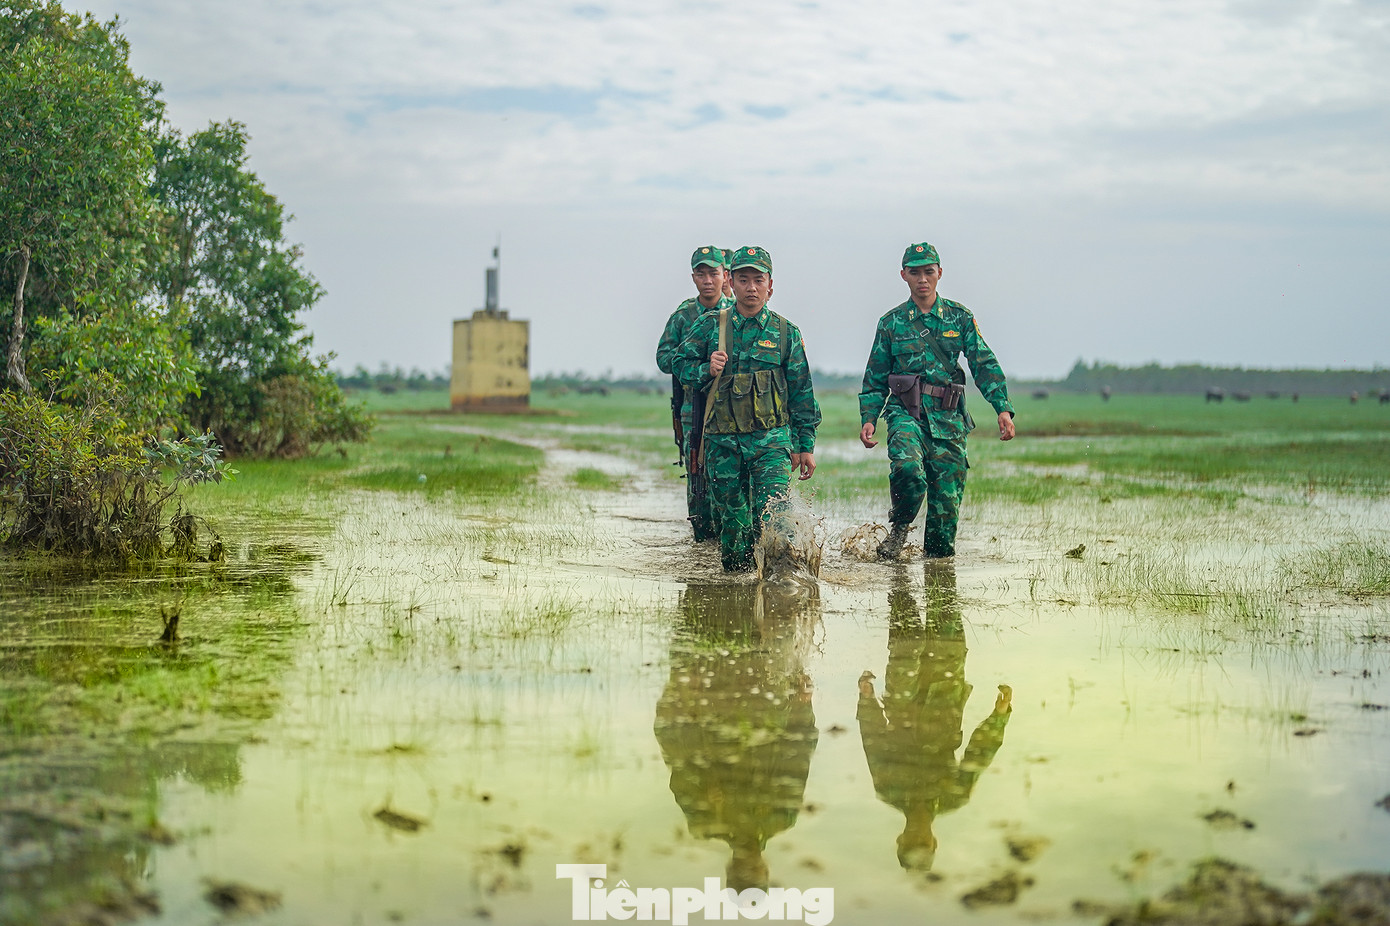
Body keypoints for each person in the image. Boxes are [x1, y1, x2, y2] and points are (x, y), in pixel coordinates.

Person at [858, 242, 1015, 560]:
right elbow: (875, 376)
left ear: (939, 273)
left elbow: (983, 363)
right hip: (906, 412)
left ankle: (939, 577)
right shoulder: (891, 323)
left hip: (948, 418)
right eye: (914, 273)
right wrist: (870, 417)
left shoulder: (959, 318)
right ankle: (900, 528)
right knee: (908, 470)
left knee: (944, 521)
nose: (922, 279)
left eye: (928, 272)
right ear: (904, 275)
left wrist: (1002, 408)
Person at [674, 246, 821, 573]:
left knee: (775, 520)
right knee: (735, 531)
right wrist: (705, 370)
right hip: (723, 445)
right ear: (732, 282)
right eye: (743, 279)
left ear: (771, 285)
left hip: (770, 445)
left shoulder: (786, 333)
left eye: (758, 279)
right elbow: (678, 362)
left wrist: (805, 446)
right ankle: (737, 600)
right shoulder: (712, 326)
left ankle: (781, 590)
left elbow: (802, 395)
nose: (751, 287)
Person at [858, 563, 1012, 871]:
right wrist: (999, 716)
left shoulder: (887, 790)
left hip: (903, 696)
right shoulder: (955, 797)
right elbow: (978, 754)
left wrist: (867, 700)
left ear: (900, 840)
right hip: (946, 689)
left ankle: (898, 563)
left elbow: (873, 740)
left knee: (902, 607)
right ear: (933, 842)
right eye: (922, 843)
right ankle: (938, 562)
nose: (916, 836)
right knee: (946, 603)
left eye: (911, 842)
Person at [657, 246, 735, 541]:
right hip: (694, 407)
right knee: (698, 471)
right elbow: (664, 359)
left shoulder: (735, 311)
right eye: (700, 274)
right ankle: (703, 534)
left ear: (723, 276)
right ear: (693, 277)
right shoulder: (684, 316)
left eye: (712, 273)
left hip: (731, 406)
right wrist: (697, 363)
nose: (707, 280)